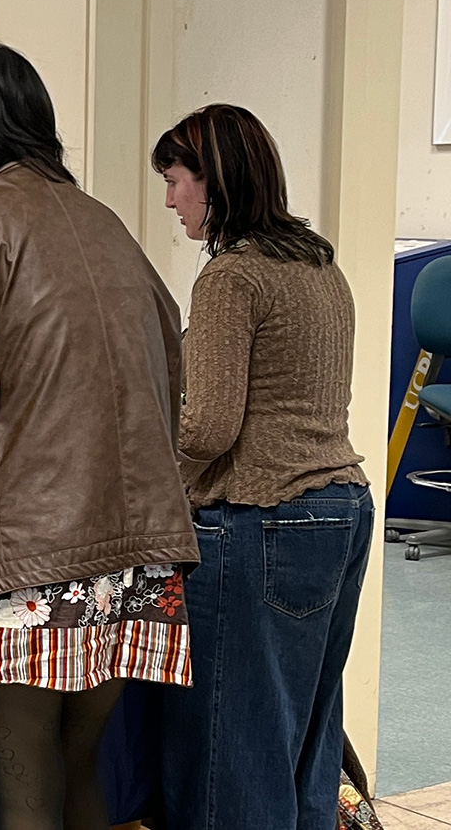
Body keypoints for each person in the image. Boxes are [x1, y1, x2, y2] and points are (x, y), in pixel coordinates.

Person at [0, 43, 198, 830]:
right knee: (82, 771)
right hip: (139, 555)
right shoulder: (110, 227)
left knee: (24, 799)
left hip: (32, 563)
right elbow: (172, 371)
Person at [151, 105, 373, 830]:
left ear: (214, 180)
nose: (169, 198)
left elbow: (208, 425)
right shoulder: (319, 267)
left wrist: (151, 472)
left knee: (232, 762)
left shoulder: (231, 278)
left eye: (176, 180)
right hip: (341, 512)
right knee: (306, 747)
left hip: (261, 520)